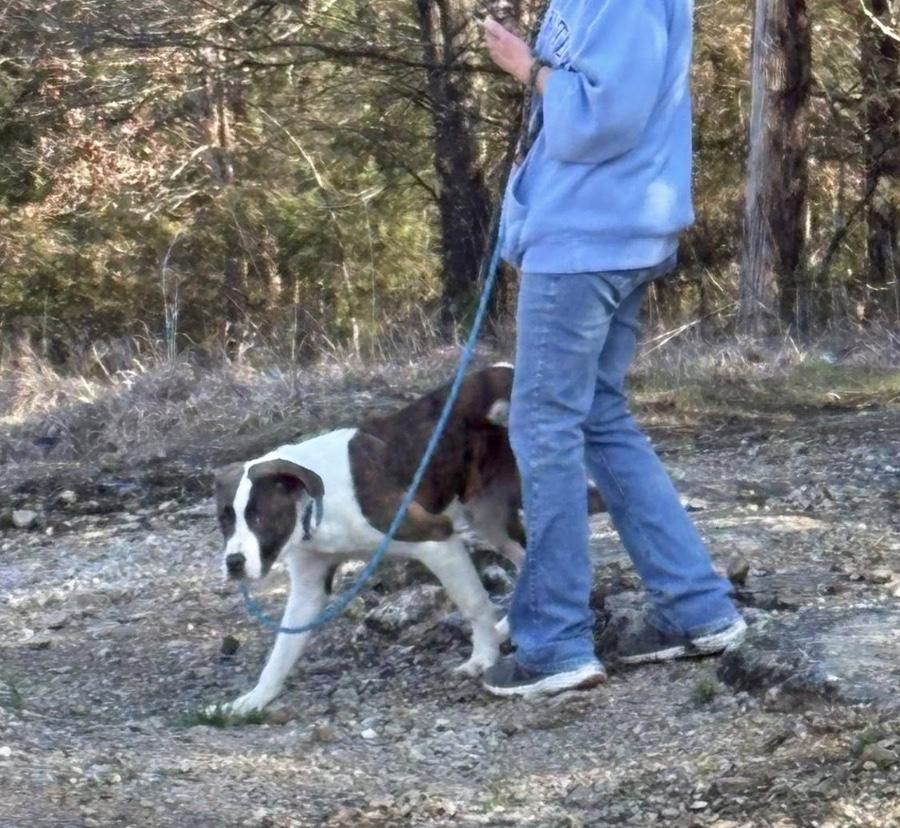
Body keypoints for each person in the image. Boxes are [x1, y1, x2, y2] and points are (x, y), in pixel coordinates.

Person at [480, 0, 745, 698]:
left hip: (589, 239)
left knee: (544, 425)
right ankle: (695, 608)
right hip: (607, 229)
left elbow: (606, 117)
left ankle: (554, 642)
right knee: (597, 415)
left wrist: (527, 68)